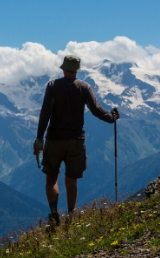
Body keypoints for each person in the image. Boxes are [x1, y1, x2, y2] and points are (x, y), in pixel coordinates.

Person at [33, 55, 119, 225]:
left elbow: (45, 113)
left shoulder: (52, 86)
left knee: (52, 178)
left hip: (55, 139)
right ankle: (72, 215)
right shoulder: (84, 87)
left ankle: (54, 214)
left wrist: (39, 138)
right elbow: (96, 110)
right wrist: (112, 118)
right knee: (71, 180)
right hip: (76, 140)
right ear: (77, 70)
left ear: (64, 69)